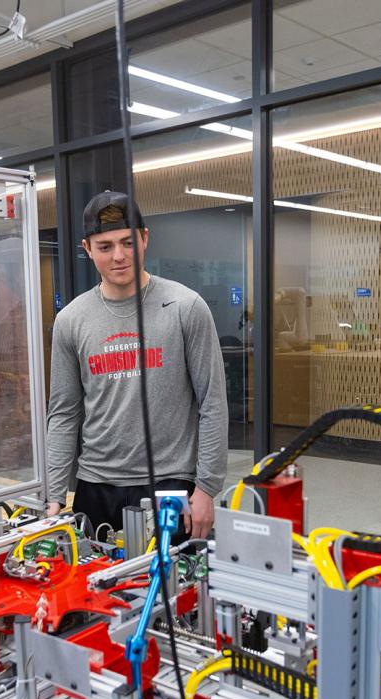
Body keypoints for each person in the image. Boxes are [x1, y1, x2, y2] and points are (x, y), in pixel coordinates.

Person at [45, 191, 228, 540]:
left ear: (145, 238)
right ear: (87, 248)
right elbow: (64, 413)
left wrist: (206, 489)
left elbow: (213, 402)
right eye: (105, 246)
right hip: (95, 484)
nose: (119, 256)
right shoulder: (71, 320)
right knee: (97, 587)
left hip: (171, 483)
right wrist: (54, 496)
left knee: (173, 589)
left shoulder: (185, 307)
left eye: (129, 242)